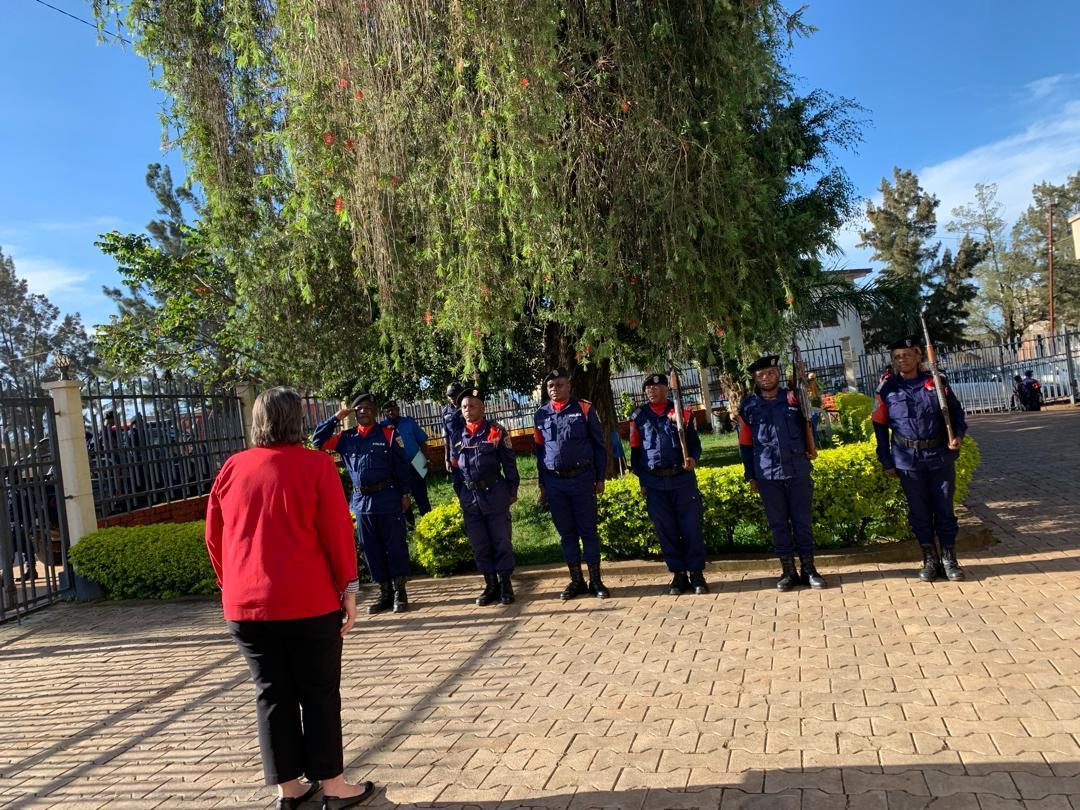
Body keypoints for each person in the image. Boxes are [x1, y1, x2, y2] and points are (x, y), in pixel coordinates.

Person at [204, 387, 375, 809]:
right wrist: (348, 591)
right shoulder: (316, 466)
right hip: (308, 603)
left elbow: (213, 535)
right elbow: (337, 534)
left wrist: (234, 585)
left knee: (272, 694)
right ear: (297, 420)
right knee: (318, 692)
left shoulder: (232, 467)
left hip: (246, 607)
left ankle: (289, 790)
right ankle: (333, 786)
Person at [872, 335, 968, 583]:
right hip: (908, 460)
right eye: (897, 357)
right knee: (919, 512)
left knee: (944, 509)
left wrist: (957, 436)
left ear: (918, 356)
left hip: (939, 455)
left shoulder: (936, 382)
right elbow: (879, 425)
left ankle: (949, 559)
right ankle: (929, 559)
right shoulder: (887, 388)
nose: (902, 359)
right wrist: (887, 459)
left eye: (906, 354)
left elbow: (956, 413)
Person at [313, 394, 413, 614]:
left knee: (394, 545)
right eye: (359, 408)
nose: (363, 411)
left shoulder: (388, 434)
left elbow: (402, 466)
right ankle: (384, 591)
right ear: (354, 412)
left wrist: (405, 493)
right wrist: (336, 418)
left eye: (368, 408)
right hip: (362, 502)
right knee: (370, 548)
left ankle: (399, 592)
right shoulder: (346, 438)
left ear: (375, 412)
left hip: (388, 497)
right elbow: (317, 442)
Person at [737, 355, 825, 591]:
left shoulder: (794, 398)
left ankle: (809, 569)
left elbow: (810, 424)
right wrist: (750, 475)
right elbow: (745, 444)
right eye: (761, 375)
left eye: (770, 373)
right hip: (767, 474)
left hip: (797, 470)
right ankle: (788, 570)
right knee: (778, 525)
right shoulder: (748, 406)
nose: (766, 378)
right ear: (755, 379)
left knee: (802, 522)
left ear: (778, 374)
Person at [533, 368, 610, 600]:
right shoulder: (540, 414)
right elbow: (539, 450)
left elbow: (599, 445)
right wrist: (542, 483)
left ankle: (596, 580)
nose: (555, 389)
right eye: (550, 386)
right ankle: (576, 580)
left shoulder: (584, 409)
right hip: (555, 482)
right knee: (566, 533)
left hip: (582, 479)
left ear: (569, 386)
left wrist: (600, 478)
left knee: (588, 531)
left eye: (559, 384)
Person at [629, 373, 709, 596]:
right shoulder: (638, 417)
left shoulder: (681, 412)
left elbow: (694, 445)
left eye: (657, 386)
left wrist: (693, 458)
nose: (652, 390)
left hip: (681, 479)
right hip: (654, 482)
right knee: (666, 529)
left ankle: (696, 574)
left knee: (690, 526)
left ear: (667, 389)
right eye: (648, 388)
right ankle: (678, 574)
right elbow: (635, 452)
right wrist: (642, 480)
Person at [450, 386, 519, 606]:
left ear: (482, 408)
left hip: (494, 492)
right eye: (463, 407)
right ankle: (490, 584)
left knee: (501, 540)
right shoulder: (457, 436)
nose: (467, 410)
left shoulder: (495, 431)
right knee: (479, 543)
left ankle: (505, 583)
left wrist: (512, 490)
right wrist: (460, 494)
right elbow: (454, 470)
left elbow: (509, 463)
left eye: (472, 405)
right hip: (469, 497)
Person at [380, 400, 432, 525]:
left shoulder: (409, 422)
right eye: (388, 410)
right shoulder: (382, 428)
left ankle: (429, 522)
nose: (391, 412)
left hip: (417, 461)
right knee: (402, 498)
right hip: (397, 467)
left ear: (398, 409)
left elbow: (422, 442)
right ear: (384, 413)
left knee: (421, 496)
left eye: (393, 409)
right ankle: (410, 525)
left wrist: (427, 460)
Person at [441, 382, 465, 474]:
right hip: (454, 454)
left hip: (470, 451)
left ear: (461, 393)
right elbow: (446, 436)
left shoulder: (469, 407)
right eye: (449, 395)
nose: (451, 397)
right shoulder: (445, 412)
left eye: (454, 394)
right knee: (457, 484)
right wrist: (446, 459)